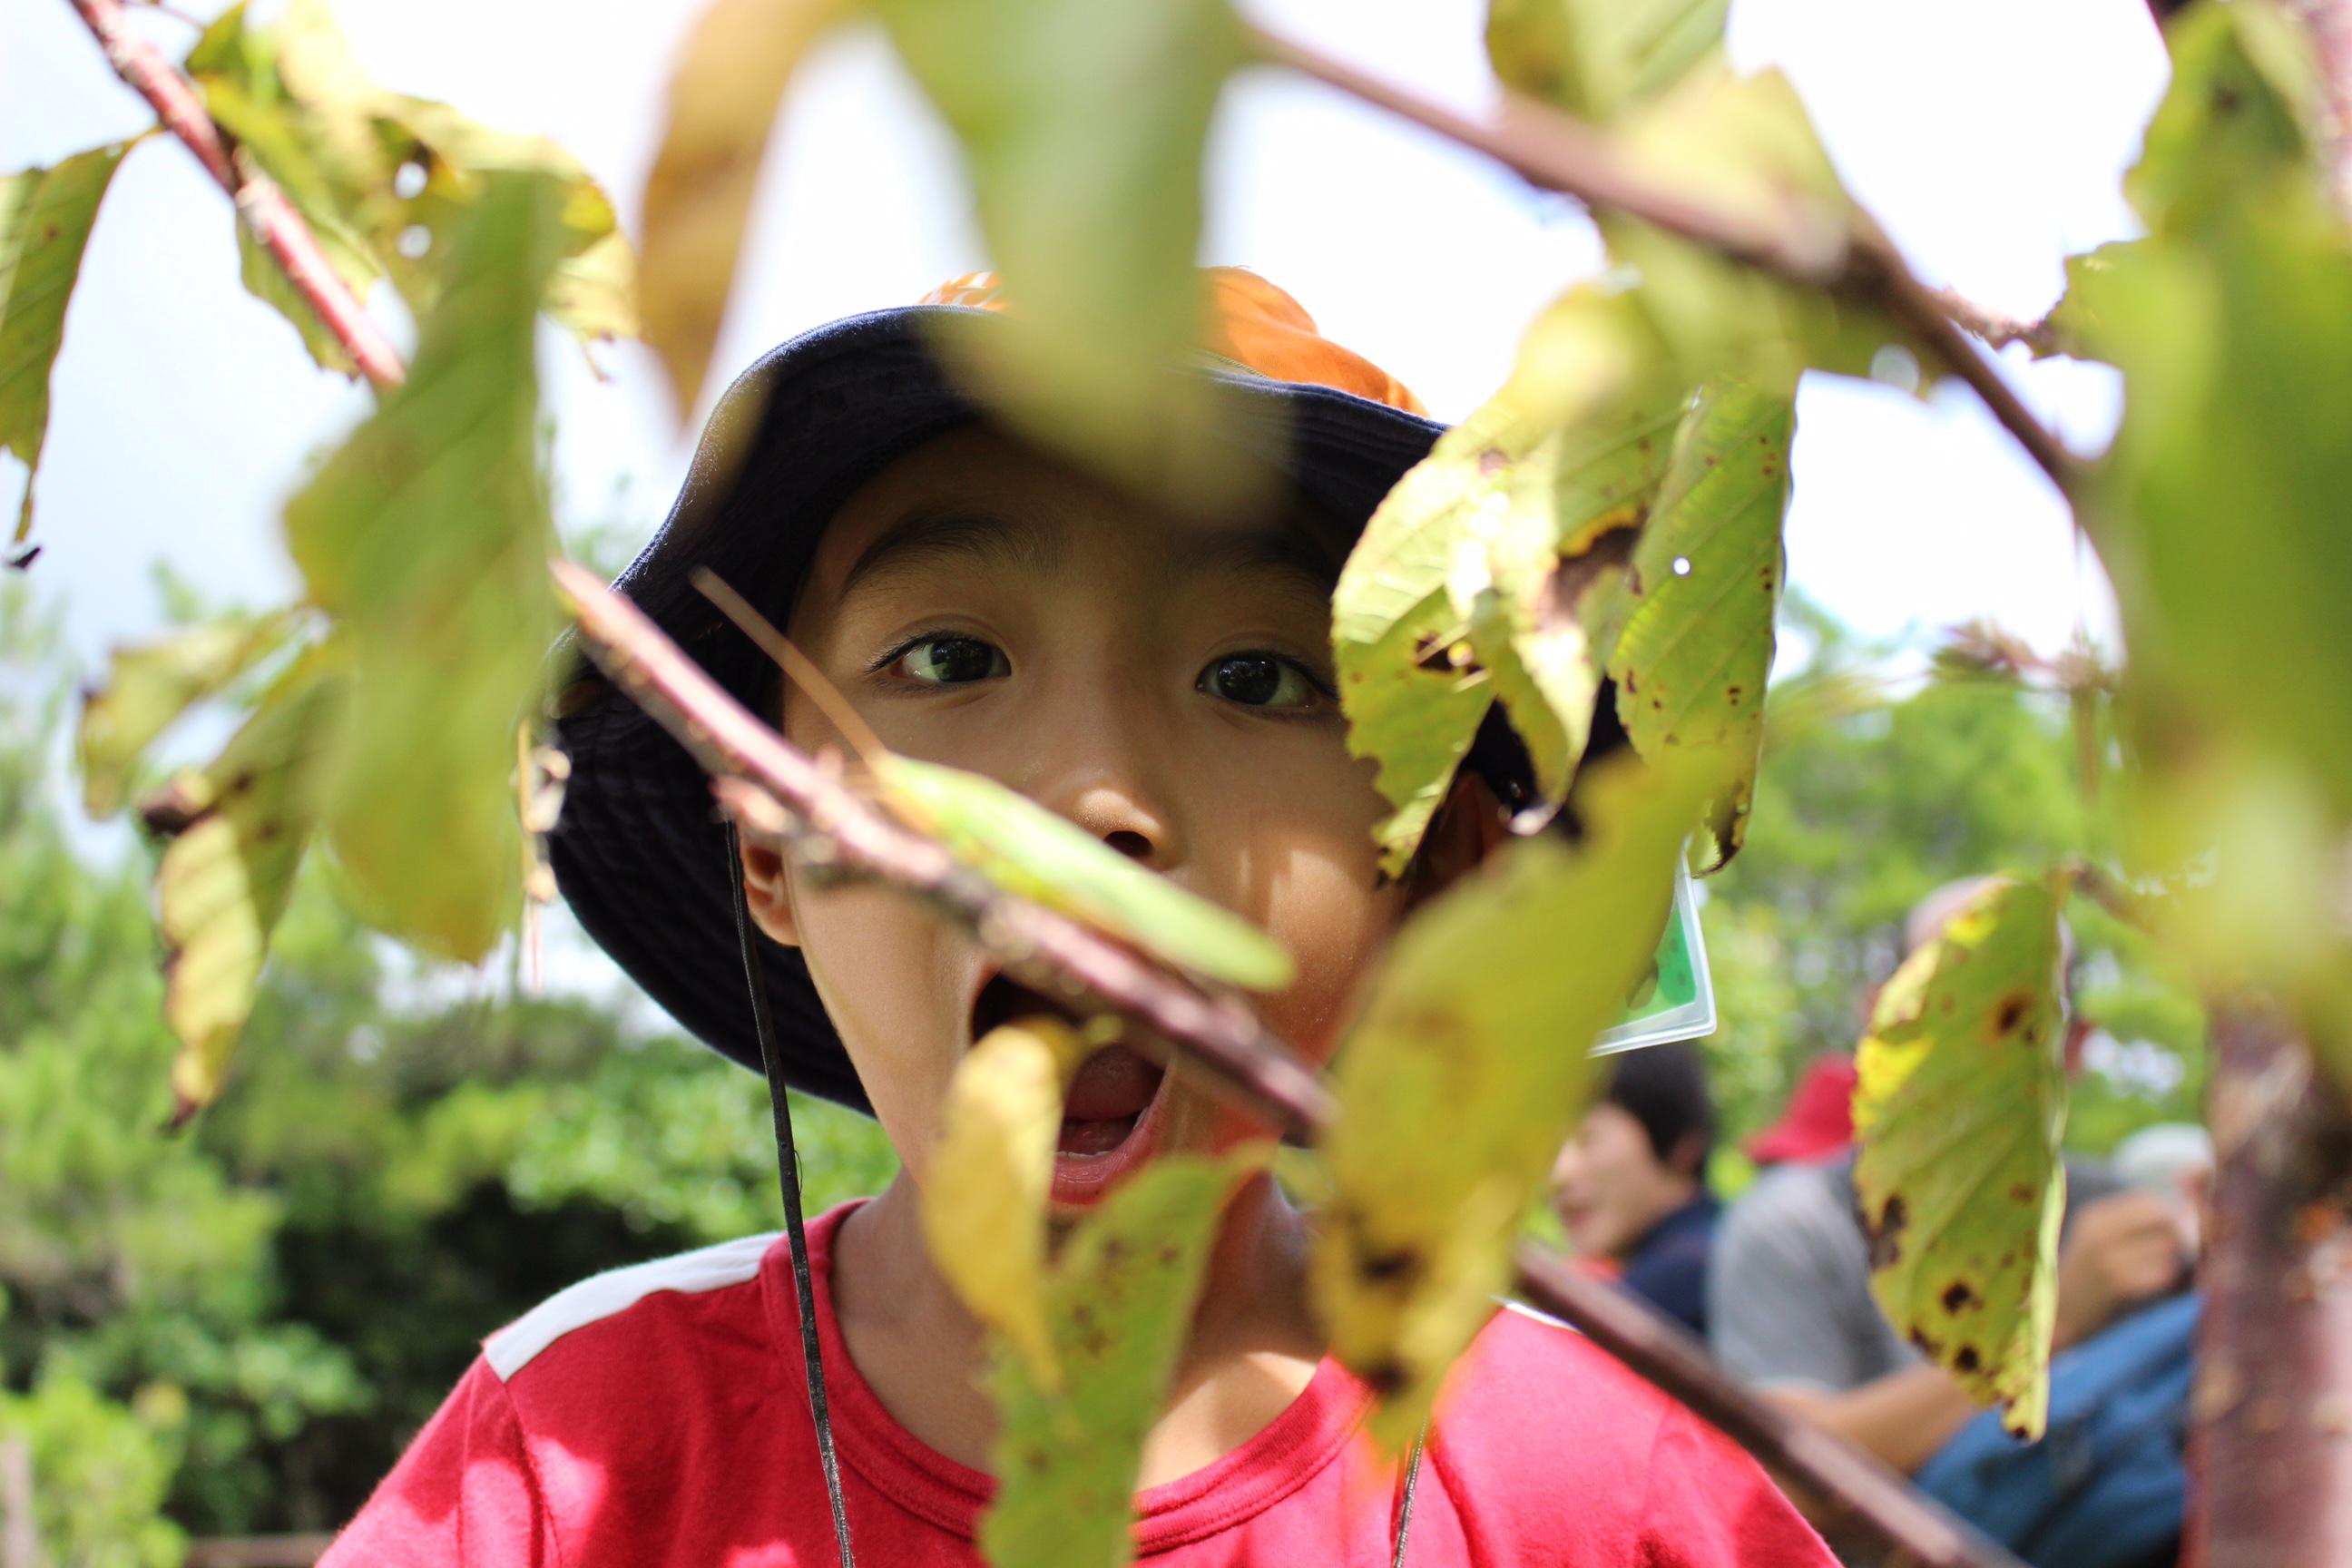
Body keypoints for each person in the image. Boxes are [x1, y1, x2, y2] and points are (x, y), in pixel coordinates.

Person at [316, 270, 1836, 1566]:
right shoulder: (571, 1458)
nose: (1093, 795)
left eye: (1254, 678)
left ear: (1427, 881)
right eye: (949, 655)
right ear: (768, 835)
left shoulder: (1602, 1489)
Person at [1707, 879, 2190, 1480]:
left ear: (2076, 1044)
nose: (1979, 1045)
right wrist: (2054, 1323)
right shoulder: (1795, 1224)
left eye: (2019, 1012)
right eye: (1948, 1000)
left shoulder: (2124, 1220)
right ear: (1876, 1017)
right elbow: (1789, 1473)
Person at [1552, 1042, 1721, 1336]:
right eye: (1547, 1147)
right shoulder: (1722, 1244)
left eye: (1588, 1138)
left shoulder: (1684, 1278)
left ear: (1679, 1139)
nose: (1559, 1175)